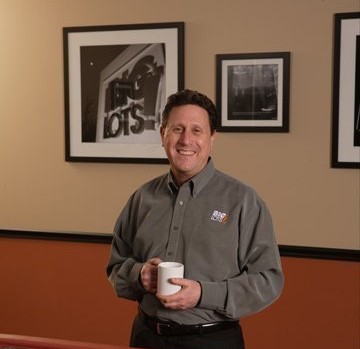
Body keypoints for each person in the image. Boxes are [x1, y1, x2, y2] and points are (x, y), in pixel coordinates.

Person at [106, 89, 284, 349]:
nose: (186, 140)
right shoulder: (142, 199)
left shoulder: (243, 201)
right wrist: (139, 275)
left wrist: (203, 294)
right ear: (163, 134)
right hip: (145, 337)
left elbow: (269, 281)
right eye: (177, 129)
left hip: (213, 341)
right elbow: (115, 267)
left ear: (212, 138)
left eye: (197, 130)